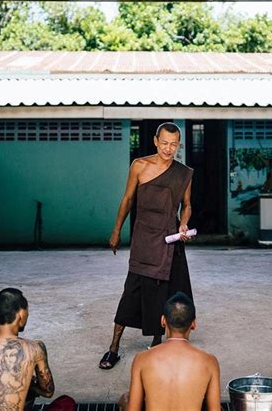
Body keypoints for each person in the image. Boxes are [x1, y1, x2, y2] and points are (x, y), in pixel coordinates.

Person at [99, 122, 194, 370]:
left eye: (174, 144)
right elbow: (128, 199)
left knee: (166, 292)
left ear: (179, 144)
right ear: (155, 141)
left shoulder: (183, 173)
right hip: (143, 239)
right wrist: (117, 230)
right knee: (131, 292)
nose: (168, 148)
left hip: (169, 239)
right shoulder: (139, 166)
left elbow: (187, 204)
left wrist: (183, 223)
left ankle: (157, 341)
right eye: (164, 143)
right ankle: (113, 348)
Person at [0, 288, 76, 411]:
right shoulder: (35, 348)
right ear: (21, 314)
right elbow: (48, 391)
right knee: (66, 403)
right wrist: (30, 385)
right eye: (27, 311)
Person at [119, 292, 221, 411]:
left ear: (163, 321)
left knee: (125, 399)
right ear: (193, 324)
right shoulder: (209, 361)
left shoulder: (142, 358)